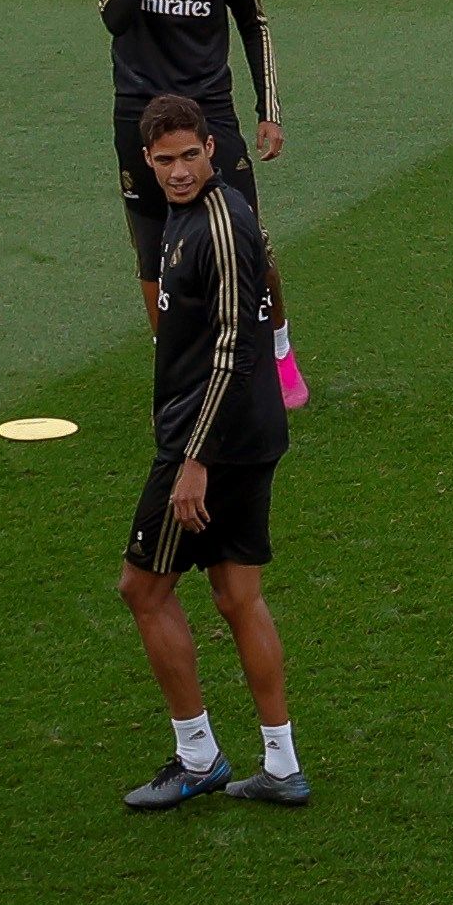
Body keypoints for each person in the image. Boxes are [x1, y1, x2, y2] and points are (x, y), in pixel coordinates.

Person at [118, 102, 307, 812]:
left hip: (209, 442)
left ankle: (197, 756)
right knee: (236, 596)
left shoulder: (219, 228)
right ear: (149, 160)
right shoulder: (208, 212)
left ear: (208, 148)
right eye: (162, 160)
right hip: (247, 435)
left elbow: (231, 349)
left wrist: (192, 458)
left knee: (144, 591)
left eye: (186, 157)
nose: (176, 171)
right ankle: (282, 764)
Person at [100, 0, 295, 395]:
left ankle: (279, 353)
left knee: (247, 234)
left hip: (209, 111)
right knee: (151, 246)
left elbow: (253, 23)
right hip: (138, 114)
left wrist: (269, 111)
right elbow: (114, 16)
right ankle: (178, 371)